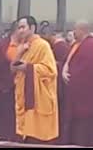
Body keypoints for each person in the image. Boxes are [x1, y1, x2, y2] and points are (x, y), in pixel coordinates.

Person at [11, 16, 59, 144]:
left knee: (37, 137)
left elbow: (51, 71)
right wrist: (18, 54)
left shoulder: (43, 46)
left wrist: (28, 67)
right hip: (24, 96)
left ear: (32, 28)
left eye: (23, 27)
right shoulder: (22, 47)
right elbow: (13, 69)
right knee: (25, 135)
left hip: (39, 97)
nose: (20, 31)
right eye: (18, 28)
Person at [61, 20, 93, 146]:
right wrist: (65, 70)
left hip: (87, 99)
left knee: (84, 133)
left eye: (75, 29)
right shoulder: (78, 45)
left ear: (82, 30)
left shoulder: (91, 45)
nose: (74, 32)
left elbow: (87, 71)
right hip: (77, 96)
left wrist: (71, 77)